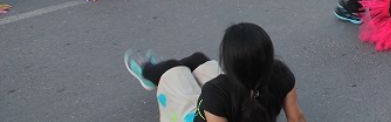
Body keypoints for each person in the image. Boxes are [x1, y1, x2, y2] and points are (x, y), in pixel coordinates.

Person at [124, 22, 305, 122]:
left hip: (195, 116)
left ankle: (149, 72)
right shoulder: (280, 72)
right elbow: (296, 118)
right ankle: (163, 70)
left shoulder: (216, 91)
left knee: (173, 71)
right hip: (225, 98)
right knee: (198, 59)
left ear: (228, 62)